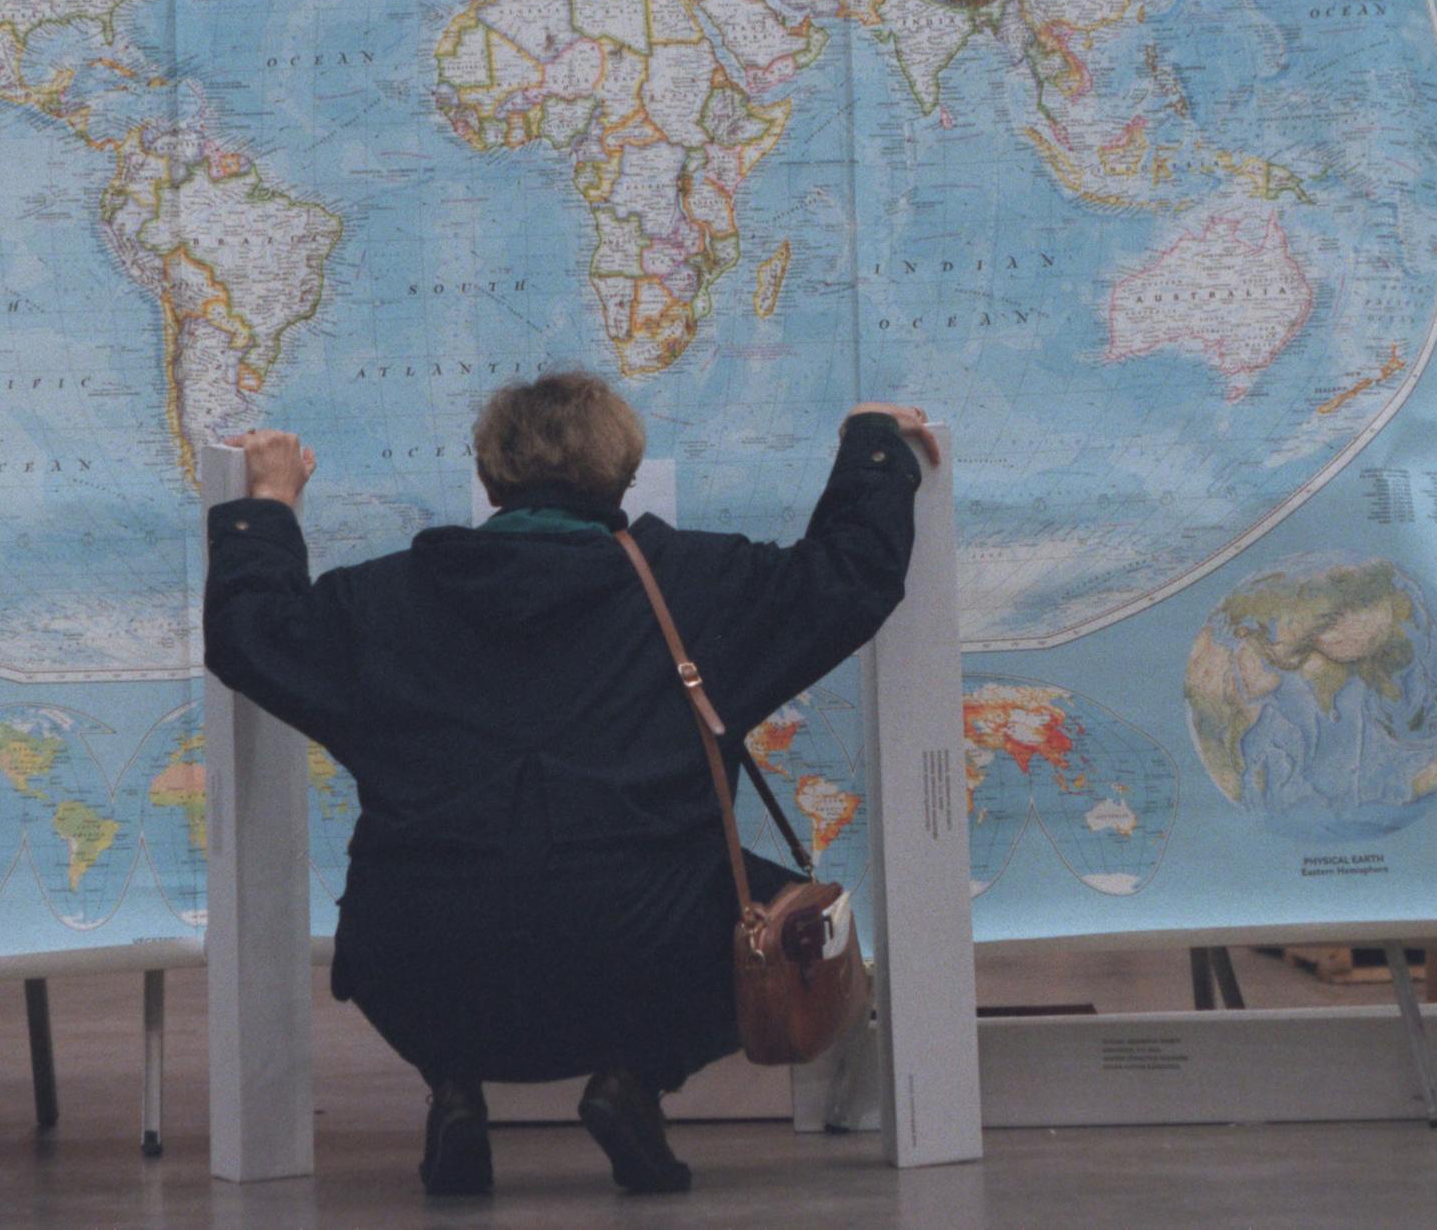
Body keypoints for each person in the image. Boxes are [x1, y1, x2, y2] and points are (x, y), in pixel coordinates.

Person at [203, 372, 933, 1196]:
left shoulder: (379, 601)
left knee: (469, 898)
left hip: (418, 967)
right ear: (624, 474)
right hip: (644, 957)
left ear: (490, 477)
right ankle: (635, 1079)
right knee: (780, 918)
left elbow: (250, 634)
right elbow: (848, 575)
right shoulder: (703, 585)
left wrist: (267, 506)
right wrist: (873, 442)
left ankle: (453, 1086)